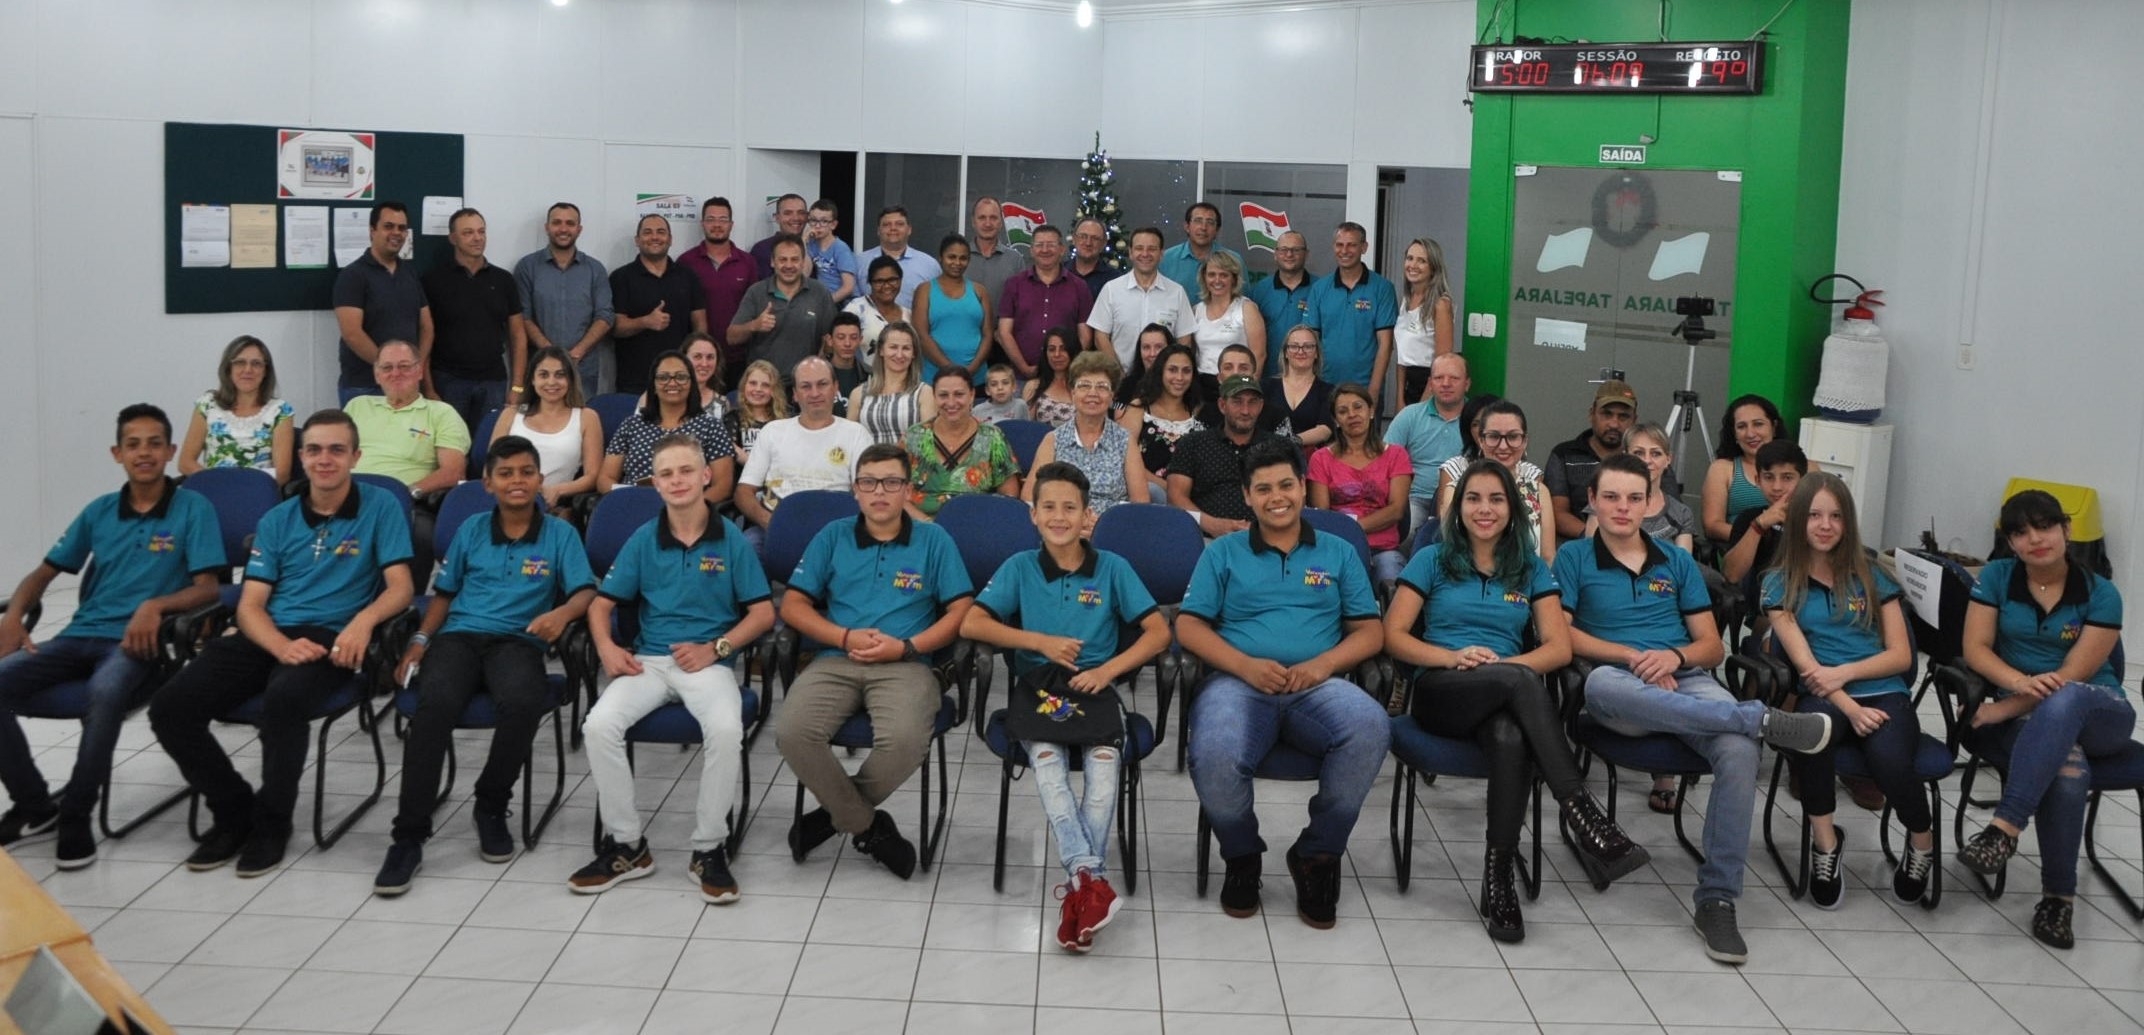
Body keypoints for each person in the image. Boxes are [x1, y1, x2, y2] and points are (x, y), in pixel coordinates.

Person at [1556, 453, 1832, 964]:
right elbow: (1563, 636)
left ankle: (1717, 899)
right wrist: (1635, 658)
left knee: (1740, 752)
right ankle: (1759, 718)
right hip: (1620, 684)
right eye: (1610, 497)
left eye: (1634, 498)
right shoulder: (1573, 558)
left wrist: (1674, 657)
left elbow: (1709, 648)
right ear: (1592, 501)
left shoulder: (1675, 560)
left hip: (1683, 679)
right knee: (1600, 687)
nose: (1622, 507)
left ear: (1650, 502)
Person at [1385, 459, 1647, 942]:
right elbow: (1394, 636)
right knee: (1519, 684)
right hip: (1441, 690)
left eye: (1496, 499)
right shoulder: (1432, 559)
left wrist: (1504, 669)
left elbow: (1558, 647)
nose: (1484, 509)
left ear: (1513, 509)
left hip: (1504, 695)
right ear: (1458, 508)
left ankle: (1499, 873)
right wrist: (1452, 656)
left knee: (1509, 736)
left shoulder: (1529, 567)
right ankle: (1580, 810)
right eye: (1473, 498)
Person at [150, 410, 416, 877]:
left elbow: (401, 588)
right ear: (301, 457)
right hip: (269, 632)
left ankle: (273, 824)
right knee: (170, 708)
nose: (325, 459)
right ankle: (234, 810)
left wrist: (363, 623)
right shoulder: (277, 518)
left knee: (284, 701)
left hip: (333, 635)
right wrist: (279, 646)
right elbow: (251, 605)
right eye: (314, 450)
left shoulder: (381, 507)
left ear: (356, 456)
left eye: (336, 450)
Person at [0, 406, 223, 867]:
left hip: (141, 645)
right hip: (78, 635)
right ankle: (35, 806)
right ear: (117, 453)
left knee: (103, 693)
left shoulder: (194, 508)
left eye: (154, 444)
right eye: (133, 445)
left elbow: (209, 588)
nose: (144, 453)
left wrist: (155, 606)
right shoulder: (99, 510)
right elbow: (43, 574)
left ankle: (76, 813)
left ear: (170, 451)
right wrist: (15, 616)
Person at [961, 462, 1171, 951]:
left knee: (1104, 774)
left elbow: (1159, 632)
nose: (1059, 517)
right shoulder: (1019, 566)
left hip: (1096, 687)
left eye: (1070, 508)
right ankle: (1089, 882)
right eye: (1049, 507)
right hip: (1039, 688)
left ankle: (1083, 888)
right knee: (1050, 770)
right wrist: (1038, 641)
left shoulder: (1112, 567)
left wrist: (1108, 670)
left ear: (1087, 516)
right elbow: (973, 623)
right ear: (1033, 515)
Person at [373, 436, 596, 895]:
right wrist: (420, 640)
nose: (517, 481)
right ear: (489, 483)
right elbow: (444, 594)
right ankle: (408, 836)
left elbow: (585, 591)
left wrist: (561, 614)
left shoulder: (560, 534)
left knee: (522, 701)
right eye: (506, 473)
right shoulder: (473, 528)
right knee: (434, 706)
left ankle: (491, 804)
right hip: (459, 637)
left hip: (518, 640)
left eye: (527, 472)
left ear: (540, 479)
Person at [1181, 438, 1388, 929]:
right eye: (1263, 488)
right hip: (1238, 683)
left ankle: (1317, 856)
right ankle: (1242, 856)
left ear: (1302, 487)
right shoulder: (1223, 552)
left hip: (1316, 686)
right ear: (1247, 497)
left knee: (1371, 726)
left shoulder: (1338, 551)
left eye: (1286, 485)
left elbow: (1370, 631)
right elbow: (1188, 625)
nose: (1277, 497)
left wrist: (1323, 665)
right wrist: (1244, 665)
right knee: (1213, 749)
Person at [570, 434, 776, 903]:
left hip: (707, 663)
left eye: (686, 471)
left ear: (706, 476)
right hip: (649, 661)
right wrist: (606, 648)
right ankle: (627, 845)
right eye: (666, 474)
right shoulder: (644, 538)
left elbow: (763, 613)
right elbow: (601, 605)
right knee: (598, 725)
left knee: (725, 729)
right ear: (655, 484)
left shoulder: (730, 539)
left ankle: (708, 847)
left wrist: (716, 648)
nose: (677, 480)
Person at [776, 443, 975, 879]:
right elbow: (792, 605)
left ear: (908, 490)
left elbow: (962, 612)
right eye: (868, 482)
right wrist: (843, 636)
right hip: (837, 657)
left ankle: (834, 816)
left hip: (907, 663)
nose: (879, 491)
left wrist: (907, 647)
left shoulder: (934, 540)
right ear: (855, 490)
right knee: (792, 733)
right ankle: (868, 827)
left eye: (890, 482)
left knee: (904, 742)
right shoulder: (832, 536)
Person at [1956, 489, 2134, 950]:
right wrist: (2017, 681)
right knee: (2067, 767)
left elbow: (2074, 677)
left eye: (2044, 526)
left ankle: (2005, 828)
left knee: (2068, 696)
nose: (2035, 539)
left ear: (2066, 530)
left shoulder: (2102, 593)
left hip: (2101, 711)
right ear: (2010, 542)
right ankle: (2059, 899)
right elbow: (1976, 649)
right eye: (2021, 532)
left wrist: (2003, 707)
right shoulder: (1997, 577)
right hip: (2038, 720)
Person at [1762, 474, 1928, 911]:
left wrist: (1846, 673)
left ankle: (1922, 842)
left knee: (1889, 760)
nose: (1825, 525)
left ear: (1847, 522)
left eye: (1835, 516)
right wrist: (1849, 707)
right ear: (1798, 520)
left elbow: (1900, 656)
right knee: (1813, 739)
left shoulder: (1873, 575)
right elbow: (1806, 668)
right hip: (1825, 695)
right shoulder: (1778, 583)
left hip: (1883, 689)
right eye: (1814, 515)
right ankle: (1826, 844)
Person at [345, 341, 471, 583]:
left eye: (404, 366)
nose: (395, 373)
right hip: (350, 498)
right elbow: (334, 454)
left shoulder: (441, 413)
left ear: (419, 371)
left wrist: (407, 492)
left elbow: (453, 471)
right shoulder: (357, 406)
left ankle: (407, 598)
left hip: (407, 503)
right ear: (377, 374)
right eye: (387, 367)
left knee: (421, 535)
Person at [734, 357, 876, 542]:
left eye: (822, 384)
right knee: (746, 545)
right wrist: (771, 523)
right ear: (795, 394)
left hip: (835, 531)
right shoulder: (772, 431)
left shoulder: (856, 434)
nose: (814, 393)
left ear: (836, 388)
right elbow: (743, 492)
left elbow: (868, 492)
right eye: (806, 386)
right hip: (775, 526)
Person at [421, 207, 527, 435]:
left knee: (489, 446)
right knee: (451, 446)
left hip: (494, 382)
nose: (477, 238)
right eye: (468, 232)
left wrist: (517, 386)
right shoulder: (432, 281)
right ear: (453, 238)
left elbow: (518, 335)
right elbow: (424, 337)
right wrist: (428, 388)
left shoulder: (504, 280)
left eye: (481, 231)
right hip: (448, 382)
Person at [598, 352, 735, 507]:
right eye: (663, 377)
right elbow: (605, 479)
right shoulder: (631, 425)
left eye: (681, 377)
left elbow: (723, 486)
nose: (672, 383)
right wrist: (631, 499)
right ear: (653, 386)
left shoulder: (711, 426)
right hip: (633, 507)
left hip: (689, 510)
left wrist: (686, 508)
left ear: (691, 384)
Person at [1307, 384, 1411, 584]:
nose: (1352, 415)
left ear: (1371, 411)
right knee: (1317, 584)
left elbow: (1397, 510)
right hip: (1337, 547)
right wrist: (1348, 534)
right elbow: (1323, 514)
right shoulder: (1320, 459)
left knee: (1391, 577)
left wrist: (1353, 528)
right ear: (1336, 420)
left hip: (1383, 550)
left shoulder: (1396, 455)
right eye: (1343, 411)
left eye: (1358, 407)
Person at [331, 202, 431, 404]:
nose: (396, 233)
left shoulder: (410, 274)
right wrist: (389, 368)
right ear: (372, 230)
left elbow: (426, 326)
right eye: (388, 226)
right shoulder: (353, 275)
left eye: (402, 228)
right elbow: (352, 333)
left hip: (408, 384)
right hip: (364, 386)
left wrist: (414, 368)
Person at [1026, 352, 1150, 516]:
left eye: (1102, 387)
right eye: (1084, 386)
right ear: (1072, 393)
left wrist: (1101, 525)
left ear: (1112, 396)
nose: (1093, 393)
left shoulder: (1125, 441)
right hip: (1062, 524)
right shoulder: (1053, 440)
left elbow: (1140, 503)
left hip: (1111, 528)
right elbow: (1030, 497)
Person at [1169, 375, 1290, 538]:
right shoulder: (1193, 443)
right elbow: (1175, 497)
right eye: (1237, 402)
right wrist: (1211, 524)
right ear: (1222, 405)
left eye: (1252, 402)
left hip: (1268, 538)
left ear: (1261, 406)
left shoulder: (1280, 447)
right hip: (1205, 538)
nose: (1245, 410)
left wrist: (1264, 529)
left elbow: (1293, 496)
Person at [514, 202, 615, 396]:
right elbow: (523, 316)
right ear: (547, 227)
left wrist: (577, 352)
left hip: (582, 369)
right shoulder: (528, 267)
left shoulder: (595, 269)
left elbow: (605, 316)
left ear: (579, 229)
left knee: (582, 415)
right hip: (541, 368)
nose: (563, 229)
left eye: (570, 223)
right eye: (557, 223)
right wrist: (551, 355)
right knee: (540, 416)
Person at [1435, 399, 1553, 562]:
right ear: (1481, 440)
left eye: (1513, 436)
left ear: (1525, 441)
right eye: (1494, 436)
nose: (1503, 446)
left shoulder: (1539, 491)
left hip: (1530, 577)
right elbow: (1452, 550)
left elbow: (1548, 557)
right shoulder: (1456, 490)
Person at [901, 369, 1022, 519]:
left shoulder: (992, 437)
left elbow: (1009, 496)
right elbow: (894, 492)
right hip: (920, 525)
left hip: (977, 524)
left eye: (959, 394)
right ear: (934, 396)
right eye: (943, 395)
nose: (951, 402)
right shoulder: (913, 436)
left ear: (972, 395)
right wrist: (927, 525)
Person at [609, 214, 708, 397]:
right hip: (635, 381)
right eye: (647, 232)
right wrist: (645, 322)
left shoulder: (688, 276)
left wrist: (697, 361)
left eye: (661, 232)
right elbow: (615, 327)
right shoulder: (620, 278)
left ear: (670, 239)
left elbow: (700, 325)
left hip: (680, 378)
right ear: (637, 240)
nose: (654, 237)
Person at [495, 345, 603, 509]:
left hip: (552, 504)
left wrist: (557, 490)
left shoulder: (587, 417)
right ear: (533, 379)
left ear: (570, 379)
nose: (551, 382)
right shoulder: (510, 414)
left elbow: (592, 477)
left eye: (560, 375)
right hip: (507, 498)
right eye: (543, 375)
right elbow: (491, 466)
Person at [180, 335, 296, 487]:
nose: (248, 370)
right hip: (213, 490)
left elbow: (282, 474)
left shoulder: (280, 411)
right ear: (229, 369)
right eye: (240, 362)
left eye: (256, 364)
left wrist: (240, 491)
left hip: (258, 493)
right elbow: (185, 463)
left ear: (266, 371)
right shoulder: (207, 405)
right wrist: (217, 485)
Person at [1303, 223, 1396, 408]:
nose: (1344, 251)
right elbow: (1310, 341)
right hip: (1326, 386)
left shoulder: (1382, 288)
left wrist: (1373, 391)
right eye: (1340, 245)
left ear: (1364, 247)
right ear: (1334, 247)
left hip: (1364, 388)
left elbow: (1385, 344)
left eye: (1352, 245)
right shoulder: (1319, 289)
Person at [729, 233, 837, 379]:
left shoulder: (820, 292)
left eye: (794, 259)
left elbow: (831, 339)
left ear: (803, 262)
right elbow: (731, 337)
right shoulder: (756, 292)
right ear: (772, 262)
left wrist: (825, 357)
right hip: (765, 384)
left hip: (805, 384)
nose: (788, 265)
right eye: (782, 259)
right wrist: (754, 325)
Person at [1544, 379, 1639, 543]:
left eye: (1623, 416)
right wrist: (1596, 538)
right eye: (1607, 414)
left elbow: (1665, 507)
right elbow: (1556, 513)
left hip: (1633, 544)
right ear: (1592, 414)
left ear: (1634, 420)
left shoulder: (1644, 457)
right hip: (1578, 546)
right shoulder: (1564, 454)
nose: (1614, 424)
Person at [1387, 352, 1471, 533]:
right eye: (1439, 378)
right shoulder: (1409, 415)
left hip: (1464, 498)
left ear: (1467, 384)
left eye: (1454, 378)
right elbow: (1385, 460)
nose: (1446, 383)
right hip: (1415, 497)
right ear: (1430, 383)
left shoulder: (1479, 418)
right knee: (1408, 535)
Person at [995, 224, 1092, 379]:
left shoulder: (1079, 286)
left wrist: (1071, 367)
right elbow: (1004, 332)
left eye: (1051, 245)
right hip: (1021, 377)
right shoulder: (1014, 285)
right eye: (1039, 245)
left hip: (1065, 378)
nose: (1045, 250)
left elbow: (1085, 334)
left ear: (1062, 249)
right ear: (1031, 250)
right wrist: (1024, 368)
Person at [1087, 227, 1193, 368]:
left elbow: (1184, 339)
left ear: (1161, 254)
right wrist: (1118, 373)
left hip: (1163, 378)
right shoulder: (1111, 290)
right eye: (1139, 248)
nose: (1145, 254)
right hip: (1121, 375)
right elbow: (1100, 337)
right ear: (1130, 253)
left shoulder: (1176, 292)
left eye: (1152, 249)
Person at [676, 197, 760, 373]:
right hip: (698, 359)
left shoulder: (748, 262)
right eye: (711, 219)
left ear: (731, 224)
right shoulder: (686, 262)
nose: (717, 225)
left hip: (739, 357)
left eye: (723, 220)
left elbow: (756, 308)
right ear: (702, 223)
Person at [1586, 423, 1697, 550]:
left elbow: (1684, 561)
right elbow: (1590, 553)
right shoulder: (1604, 502)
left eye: (1656, 453)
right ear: (1625, 456)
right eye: (1638, 453)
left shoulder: (1681, 513)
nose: (1646, 460)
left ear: (1668, 459)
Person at [1720, 440, 1809, 587]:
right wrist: (1758, 527)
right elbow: (1731, 575)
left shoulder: (1816, 520)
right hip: (1760, 597)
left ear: (1803, 481)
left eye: (1787, 477)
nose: (1777, 487)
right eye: (1768, 477)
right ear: (1758, 481)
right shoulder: (1748, 518)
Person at [1119, 341, 1205, 490]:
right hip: (1148, 491)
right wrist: (1168, 489)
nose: (1179, 377)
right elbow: (1122, 457)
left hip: (1193, 495)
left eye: (1186, 371)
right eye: (1172, 370)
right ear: (1161, 372)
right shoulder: (1139, 408)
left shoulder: (1200, 410)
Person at [1702, 394, 1785, 543]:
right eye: (1741, 427)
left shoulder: (1805, 467)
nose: (1750, 434)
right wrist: (1756, 537)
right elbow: (1712, 526)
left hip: (1791, 552)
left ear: (1774, 427)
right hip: (1740, 550)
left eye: (1758, 424)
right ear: (1734, 434)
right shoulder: (1722, 469)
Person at [912, 234, 993, 385]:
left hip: (975, 378)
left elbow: (988, 335)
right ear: (940, 258)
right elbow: (921, 335)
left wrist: (972, 368)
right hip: (935, 378)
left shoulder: (979, 291)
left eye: (963, 258)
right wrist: (950, 369)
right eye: (951, 257)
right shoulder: (925, 290)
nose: (957, 263)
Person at [849, 322, 935, 447]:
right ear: (881, 350)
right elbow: (850, 442)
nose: (899, 355)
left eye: (906, 348)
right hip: (868, 459)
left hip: (909, 459)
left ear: (914, 354)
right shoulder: (858, 394)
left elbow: (928, 445)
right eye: (893, 347)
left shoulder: (925, 393)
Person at [1392, 237, 1456, 405]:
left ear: (1433, 267)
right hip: (1408, 387)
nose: (1413, 265)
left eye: (1421, 261)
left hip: (1430, 387)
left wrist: (1422, 405)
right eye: (1410, 258)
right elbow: (1403, 356)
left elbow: (1442, 361)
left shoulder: (1440, 305)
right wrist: (1399, 398)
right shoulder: (1406, 300)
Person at [1188, 251, 1266, 386]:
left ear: (1234, 279)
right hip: (1202, 384)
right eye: (1212, 275)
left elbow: (1259, 355)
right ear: (1204, 278)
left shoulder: (1247, 308)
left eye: (1223, 275)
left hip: (1237, 383)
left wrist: (1247, 387)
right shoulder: (1196, 311)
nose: (1217, 280)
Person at [1246, 230, 1316, 377]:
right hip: (1268, 376)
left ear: (1307, 254)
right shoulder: (1259, 291)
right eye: (1284, 249)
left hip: (1309, 376)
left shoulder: (1319, 289)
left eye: (1296, 250)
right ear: (1275, 254)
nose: (1289, 254)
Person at [1261, 325, 1334, 452]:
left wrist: (1291, 441)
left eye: (1308, 346)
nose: (1301, 351)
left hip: (1310, 458)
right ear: (1285, 352)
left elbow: (1325, 430)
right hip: (1269, 455)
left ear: (1316, 353)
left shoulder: (1328, 391)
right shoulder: (1266, 386)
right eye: (1294, 346)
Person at [857, 206, 942, 309]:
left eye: (899, 224)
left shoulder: (929, 265)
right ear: (878, 231)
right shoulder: (860, 262)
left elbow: (938, 304)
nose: (893, 228)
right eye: (886, 224)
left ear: (909, 229)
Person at [1159, 202, 1244, 303]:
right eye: (1198, 221)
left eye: (1210, 222)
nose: (1203, 227)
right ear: (1187, 226)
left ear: (1217, 230)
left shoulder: (1234, 260)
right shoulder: (1166, 259)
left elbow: (1241, 299)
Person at [845, 256, 910, 369]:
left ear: (900, 280)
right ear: (870, 283)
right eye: (879, 281)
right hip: (865, 378)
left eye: (892, 280)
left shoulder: (909, 315)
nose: (887, 286)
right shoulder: (855, 309)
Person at [726, 360, 788, 471]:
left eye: (765, 385)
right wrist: (759, 467)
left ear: (774, 390)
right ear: (744, 386)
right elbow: (729, 448)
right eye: (753, 383)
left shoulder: (785, 421)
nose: (758, 389)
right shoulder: (732, 418)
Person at [965, 196, 1025, 305]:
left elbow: (1022, 302)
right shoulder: (960, 257)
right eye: (982, 218)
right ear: (973, 222)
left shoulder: (1015, 260)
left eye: (993, 218)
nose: (988, 223)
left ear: (1001, 222)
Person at [804, 199, 861, 305]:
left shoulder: (840, 249)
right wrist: (803, 242)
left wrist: (825, 303)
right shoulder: (812, 244)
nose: (817, 226)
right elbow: (805, 273)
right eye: (813, 220)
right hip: (825, 296)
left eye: (824, 221)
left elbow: (848, 287)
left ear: (833, 225)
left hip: (844, 300)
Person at [1112, 321, 1173, 418]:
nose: (1152, 354)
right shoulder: (1127, 385)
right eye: (1146, 347)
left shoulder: (1180, 384)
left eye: (1159, 347)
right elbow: (1120, 423)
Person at [1022, 327, 1079, 428]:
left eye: (1063, 349)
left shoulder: (1086, 386)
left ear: (1073, 351)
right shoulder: (1034, 386)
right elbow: (1026, 428)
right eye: (1052, 349)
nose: (1057, 354)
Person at [750, 194, 810, 273]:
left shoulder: (815, 247)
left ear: (808, 216)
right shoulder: (762, 250)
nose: (796, 218)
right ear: (777, 218)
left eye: (801, 213)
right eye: (788, 213)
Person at [1068, 217, 1124, 302]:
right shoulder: (1059, 274)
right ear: (1074, 239)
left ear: (1104, 243)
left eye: (1095, 238)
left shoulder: (1115, 280)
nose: (1088, 243)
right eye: (1083, 236)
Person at [823, 314, 866, 420]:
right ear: (829, 340)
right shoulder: (816, 375)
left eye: (853, 338)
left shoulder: (870, 376)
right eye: (841, 337)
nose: (847, 343)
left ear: (860, 340)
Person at [680, 331, 729, 415]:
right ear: (683, 359)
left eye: (710, 357)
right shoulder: (665, 398)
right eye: (697, 356)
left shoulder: (722, 404)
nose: (704, 364)